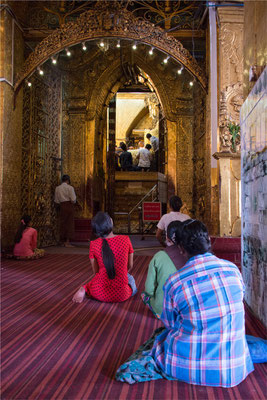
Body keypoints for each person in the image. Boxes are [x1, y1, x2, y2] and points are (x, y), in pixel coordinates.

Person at [116, 219, 254, 387]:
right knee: (247, 340)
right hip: (235, 367)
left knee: (160, 338)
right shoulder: (232, 270)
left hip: (188, 367)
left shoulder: (175, 282)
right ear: (209, 240)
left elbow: (170, 323)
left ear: (181, 249)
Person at [72, 211, 137, 303]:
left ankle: (85, 288)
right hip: (122, 294)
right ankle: (86, 288)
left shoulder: (93, 244)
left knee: (100, 278)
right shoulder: (125, 239)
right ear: (111, 221)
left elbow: (96, 271)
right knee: (131, 279)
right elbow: (130, 266)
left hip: (99, 293)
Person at [141, 221, 188, 318]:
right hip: (188, 310)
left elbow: (149, 289)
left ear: (167, 237)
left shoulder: (159, 257)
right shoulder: (192, 254)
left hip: (164, 310)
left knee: (144, 295)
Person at [54, 174, 76, 247]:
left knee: (62, 223)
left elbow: (56, 200)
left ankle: (61, 241)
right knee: (69, 223)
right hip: (69, 206)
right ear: (68, 180)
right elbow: (73, 199)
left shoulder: (57, 188)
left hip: (61, 206)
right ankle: (67, 241)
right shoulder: (70, 188)